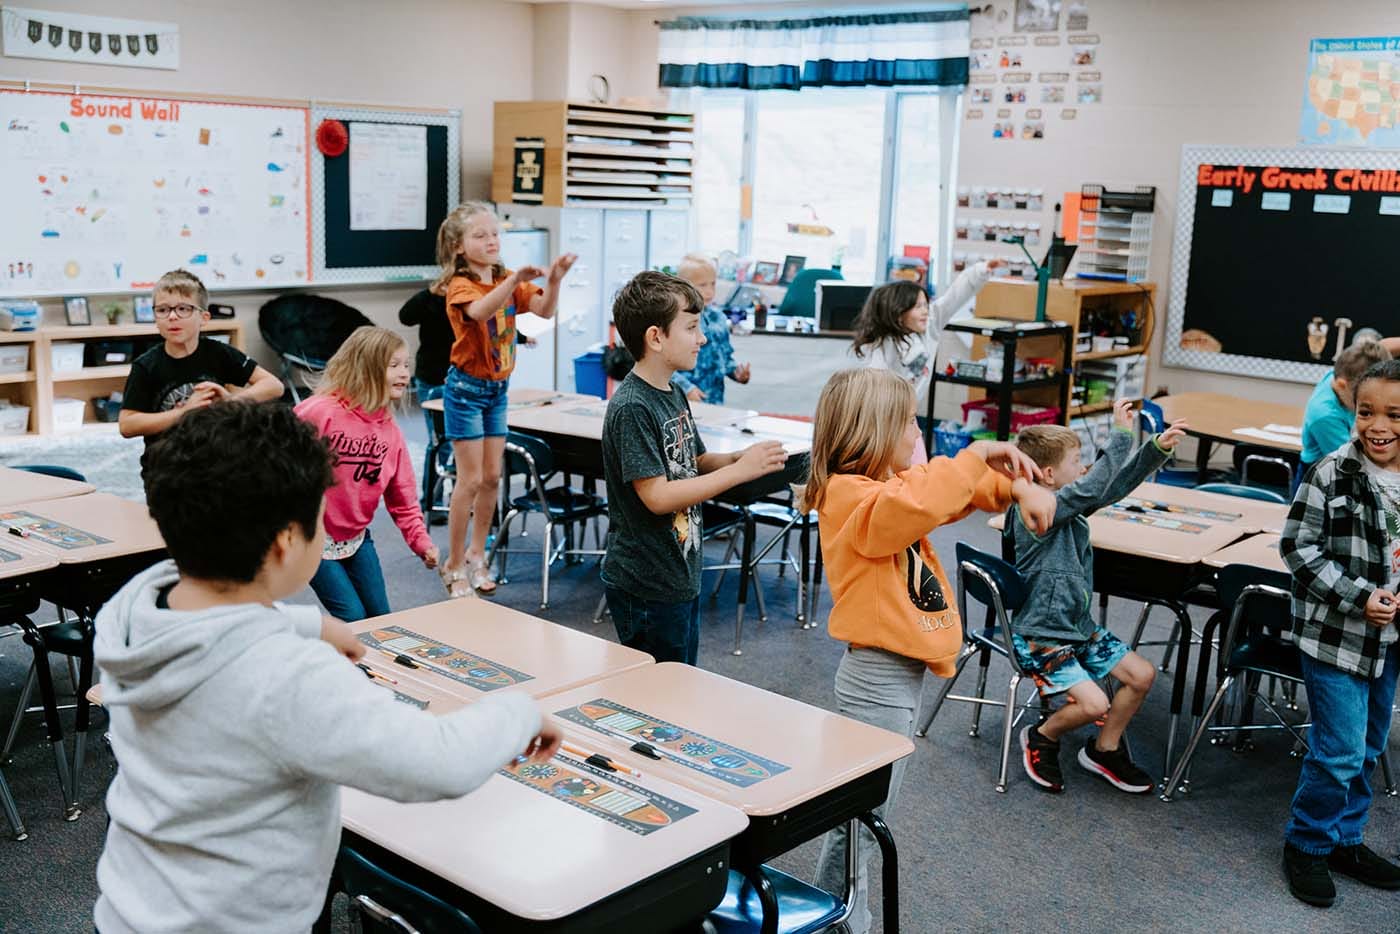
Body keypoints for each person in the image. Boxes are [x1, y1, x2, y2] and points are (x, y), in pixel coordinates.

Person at [92, 401, 560, 933]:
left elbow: (216, 629)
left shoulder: (136, 613)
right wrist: (518, 712)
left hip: (134, 908)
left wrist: (309, 624)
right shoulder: (289, 677)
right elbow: (438, 762)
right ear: (288, 542)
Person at [803, 367, 1055, 934]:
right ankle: (831, 918)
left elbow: (944, 497)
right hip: (875, 680)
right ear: (873, 432)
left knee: (865, 816)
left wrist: (1011, 484)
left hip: (894, 678)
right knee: (861, 820)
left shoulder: (887, 490)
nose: (917, 432)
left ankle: (839, 916)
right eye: (909, 422)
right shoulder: (853, 498)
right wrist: (978, 454)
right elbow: (923, 500)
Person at [601, 271, 788, 665]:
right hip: (647, 582)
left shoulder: (673, 391)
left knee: (680, 681)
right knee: (656, 696)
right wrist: (736, 474)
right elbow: (657, 497)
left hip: (678, 572)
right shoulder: (633, 406)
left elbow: (696, 462)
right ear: (656, 338)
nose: (702, 338)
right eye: (690, 328)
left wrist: (741, 460)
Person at [1008, 400, 1185, 794]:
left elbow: (1111, 485)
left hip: (1075, 627)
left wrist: (1154, 449)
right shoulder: (1038, 510)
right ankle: (1043, 736)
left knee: (1141, 676)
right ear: (1050, 474)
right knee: (1094, 706)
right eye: (1076, 461)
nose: (1084, 468)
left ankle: (1104, 750)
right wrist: (1120, 434)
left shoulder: (1064, 503)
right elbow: (1096, 482)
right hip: (1043, 634)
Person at [1279, 358, 1400, 907]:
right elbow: (1297, 548)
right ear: (1352, 409)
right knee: (1339, 753)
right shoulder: (1332, 471)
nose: (1379, 425)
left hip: (1390, 641)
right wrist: (1358, 596)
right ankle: (1306, 843)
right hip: (1336, 636)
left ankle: (1345, 839)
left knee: (1370, 747)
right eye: (1367, 411)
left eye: (1395, 414)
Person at [435, 202, 576, 597]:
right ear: (459, 247)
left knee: (494, 476)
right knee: (471, 479)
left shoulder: (505, 280)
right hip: (465, 391)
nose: (491, 241)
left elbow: (544, 312)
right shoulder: (462, 286)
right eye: (480, 235)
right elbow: (480, 312)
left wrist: (557, 280)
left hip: (497, 391)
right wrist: (513, 281)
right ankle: (454, 562)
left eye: (495, 233)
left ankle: (479, 553)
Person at [295, 326, 439, 621]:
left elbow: (404, 500)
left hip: (356, 538)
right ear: (366, 367)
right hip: (311, 539)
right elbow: (271, 460)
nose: (404, 373)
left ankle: (368, 668)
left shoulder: (391, 433)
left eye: (406, 365)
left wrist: (421, 542)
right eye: (393, 365)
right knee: (353, 617)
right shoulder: (319, 412)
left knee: (381, 619)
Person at [118, 269, 282, 466]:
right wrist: (183, 413)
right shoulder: (145, 366)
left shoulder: (219, 352)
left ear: (204, 318)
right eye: (162, 310)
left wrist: (229, 402)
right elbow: (127, 425)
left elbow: (273, 385)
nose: (172, 317)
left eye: (183, 309)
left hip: (216, 460)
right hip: (166, 466)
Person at [850, 262, 1005, 461]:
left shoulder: (929, 329)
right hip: (881, 423)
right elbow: (873, 388)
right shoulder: (882, 346)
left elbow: (953, 298)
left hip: (908, 421)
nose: (925, 311)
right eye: (917, 307)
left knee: (917, 469)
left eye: (926, 305)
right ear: (898, 313)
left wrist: (980, 271)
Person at [1300, 337, 1396, 469]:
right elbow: (1352, 462)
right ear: (1341, 385)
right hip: (1326, 471)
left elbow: (1381, 348)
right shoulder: (1324, 416)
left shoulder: (1346, 370)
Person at [671, 253, 751, 405]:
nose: (709, 291)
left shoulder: (719, 318)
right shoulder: (677, 320)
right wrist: (686, 388)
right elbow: (664, 366)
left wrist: (737, 373)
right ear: (684, 287)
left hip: (715, 400)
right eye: (702, 285)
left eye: (713, 284)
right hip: (683, 401)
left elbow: (724, 358)